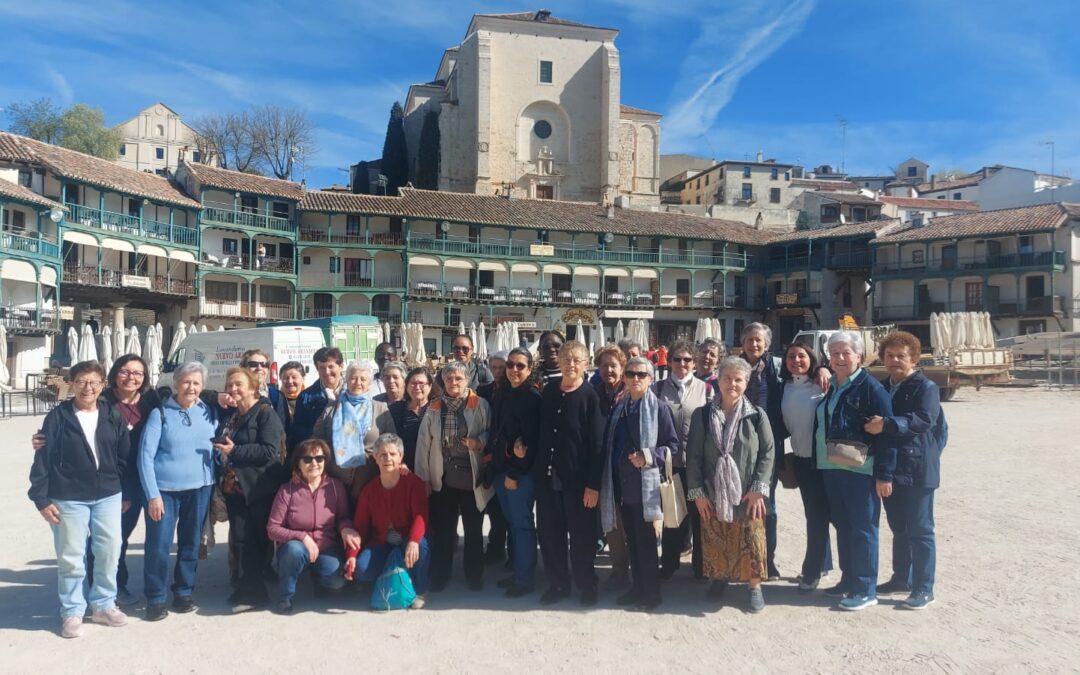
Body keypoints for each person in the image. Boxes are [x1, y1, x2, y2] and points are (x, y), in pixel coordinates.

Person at [29, 361, 131, 638]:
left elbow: (124, 454)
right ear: (71, 384)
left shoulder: (112, 414)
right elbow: (43, 458)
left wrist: (124, 489)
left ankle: (103, 605)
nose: (88, 387)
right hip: (67, 497)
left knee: (110, 551)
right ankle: (73, 610)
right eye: (82, 381)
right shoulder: (58, 417)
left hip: (108, 495)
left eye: (94, 382)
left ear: (102, 385)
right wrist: (40, 498)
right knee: (71, 556)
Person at [739, 322, 829, 581]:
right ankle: (744, 558)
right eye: (749, 340)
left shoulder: (778, 367)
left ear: (766, 344)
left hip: (771, 445)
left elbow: (804, 369)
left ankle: (768, 560)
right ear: (743, 343)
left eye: (759, 340)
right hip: (739, 445)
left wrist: (822, 367)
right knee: (739, 503)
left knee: (768, 506)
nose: (754, 344)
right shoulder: (736, 366)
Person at [864, 331, 946, 610]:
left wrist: (887, 425)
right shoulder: (882, 385)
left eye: (901, 356)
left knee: (920, 530)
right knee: (898, 527)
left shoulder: (926, 388)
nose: (895, 360)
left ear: (913, 358)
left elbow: (926, 421)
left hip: (918, 469)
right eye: (890, 355)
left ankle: (925, 587)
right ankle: (901, 578)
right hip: (891, 468)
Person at [686, 356, 775, 613]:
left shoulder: (757, 416)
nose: (732, 384)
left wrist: (759, 489)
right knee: (716, 538)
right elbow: (694, 457)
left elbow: (767, 453)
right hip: (712, 491)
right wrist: (698, 493)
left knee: (753, 540)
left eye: (738, 379)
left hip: (749, 493)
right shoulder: (702, 416)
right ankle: (719, 579)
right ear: (718, 380)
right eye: (727, 378)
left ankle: (754, 587)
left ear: (746, 383)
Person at [815, 331, 896, 611]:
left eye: (845, 353)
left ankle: (864, 588)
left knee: (863, 529)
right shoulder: (834, 386)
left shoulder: (871, 389)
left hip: (861, 470)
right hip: (832, 468)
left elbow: (887, 434)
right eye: (834, 353)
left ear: (859, 356)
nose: (839, 358)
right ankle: (848, 579)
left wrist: (885, 474)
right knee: (844, 527)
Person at [139, 362, 218, 622]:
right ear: (175, 383)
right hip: (165, 491)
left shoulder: (208, 412)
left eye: (196, 383)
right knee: (159, 546)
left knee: (191, 544)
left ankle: (184, 591)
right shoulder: (160, 414)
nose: (191, 387)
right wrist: (152, 495)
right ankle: (156, 598)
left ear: (202, 387)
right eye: (186, 382)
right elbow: (145, 457)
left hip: (200, 489)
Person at [600, 357, 678, 611]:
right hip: (621, 486)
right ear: (624, 377)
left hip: (646, 488)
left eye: (641, 375)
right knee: (632, 541)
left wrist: (649, 456)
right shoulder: (620, 408)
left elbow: (673, 448)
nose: (635, 379)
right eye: (631, 374)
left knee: (645, 543)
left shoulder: (659, 408)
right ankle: (637, 588)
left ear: (650, 379)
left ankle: (651, 594)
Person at [535, 341, 604, 606]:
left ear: (586, 364)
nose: (570, 364)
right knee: (550, 535)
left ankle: (587, 585)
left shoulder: (590, 396)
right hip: (548, 480)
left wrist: (593, 485)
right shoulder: (550, 391)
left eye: (576, 359)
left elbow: (597, 446)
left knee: (582, 538)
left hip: (578, 483)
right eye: (566, 358)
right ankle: (558, 584)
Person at [416, 361, 493, 591]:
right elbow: (424, 444)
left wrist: (480, 441)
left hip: (472, 475)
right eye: (449, 379)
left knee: (473, 528)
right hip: (444, 475)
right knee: (444, 528)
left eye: (458, 378)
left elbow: (491, 431)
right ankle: (441, 574)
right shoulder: (435, 407)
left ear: (467, 380)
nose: (453, 383)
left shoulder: (479, 404)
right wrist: (424, 478)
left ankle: (474, 574)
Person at [215, 366, 286, 613]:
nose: (233, 389)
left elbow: (269, 451)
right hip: (234, 488)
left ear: (252, 387)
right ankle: (246, 586)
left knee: (254, 540)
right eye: (229, 385)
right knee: (242, 539)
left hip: (258, 487)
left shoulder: (265, 413)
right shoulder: (233, 414)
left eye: (238, 384)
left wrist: (235, 451)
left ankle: (256, 594)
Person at [267, 438, 360, 614]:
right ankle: (285, 597)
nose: (314, 463)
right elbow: (273, 529)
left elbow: (343, 517)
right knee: (294, 552)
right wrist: (302, 537)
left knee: (336, 581)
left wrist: (345, 528)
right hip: (296, 547)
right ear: (298, 464)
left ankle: (317, 577)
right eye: (307, 459)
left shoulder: (335, 487)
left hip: (326, 546)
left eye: (319, 458)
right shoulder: (287, 490)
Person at [346, 433, 430, 609]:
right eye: (382, 454)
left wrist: (414, 540)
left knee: (421, 546)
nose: (388, 459)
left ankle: (419, 589)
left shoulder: (413, 483)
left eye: (393, 454)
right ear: (375, 458)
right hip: (382, 541)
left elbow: (421, 517)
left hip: (407, 537)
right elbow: (359, 527)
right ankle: (392, 575)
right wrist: (352, 556)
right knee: (362, 569)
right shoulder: (369, 490)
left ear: (401, 457)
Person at [779, 341, 833, 592]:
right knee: (815, 516)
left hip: (824, 461)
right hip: (801, 460)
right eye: (791, 356)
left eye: (801, 356)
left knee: (824, 517)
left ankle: (812, 571)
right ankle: (820, 565)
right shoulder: (785, 388)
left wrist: (824, 368)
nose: (796, 361)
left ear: (812, 358)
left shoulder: (822, 384)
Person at [489, 347, 542, 597]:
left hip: (518, 474)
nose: (514, 370)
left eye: (521, 366)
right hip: (501, 469)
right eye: (511, 365)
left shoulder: (532, 398)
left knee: (522, 526)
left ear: (530, 369)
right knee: (513, 524)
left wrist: (515, 472)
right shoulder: (503, 392)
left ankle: (524, 579)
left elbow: (530, 443)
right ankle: (518, 572)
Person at [653, 340, 708, 580]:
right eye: (677, 359)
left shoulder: (706, 389)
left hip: (698, 466)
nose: (682, 364)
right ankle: (669, 563)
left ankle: (701, 566)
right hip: (669, 464)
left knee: (699, 517)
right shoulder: (657, 389)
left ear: (694, 363)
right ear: (670, 361)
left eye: (687, 359)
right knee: (672, 517)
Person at [314, 360, 396, 500]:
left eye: (363, 379)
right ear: (346, 380)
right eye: (353, 378)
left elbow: (391, 441)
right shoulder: (331, 409)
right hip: (335, 478)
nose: (358, 382)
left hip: (370, 477)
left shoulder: (380, 408)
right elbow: (316, 440)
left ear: (369, 384)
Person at [591, 345, 631, 590]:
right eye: (604, 365)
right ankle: (619, 569)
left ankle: (637, 568)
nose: (608, 370)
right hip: (603, 469)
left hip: (628, 469)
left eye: (613, 365)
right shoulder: (594, 394)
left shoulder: (632, 394)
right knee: (613, 523)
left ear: (622, 368)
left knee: (633, 524)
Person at [475, 350, 510, 565]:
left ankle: (512, 553)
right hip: (487, 456)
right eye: (494, 367)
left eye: (501, 367)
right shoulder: (482, 390)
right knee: (494, 507)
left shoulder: (515, 390)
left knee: (510, 510)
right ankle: (496, 547)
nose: (497, 372)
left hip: (507, 457)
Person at [289, 347, 345, 454]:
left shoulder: (353, 393)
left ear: (341, 366)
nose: (327, 372)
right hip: (319, 454)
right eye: (322, 368)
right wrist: (321, 436)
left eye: (331, 366)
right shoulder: (306, 397)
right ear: (316, 368)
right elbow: (298, 429)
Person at [388, 367, 434, 471]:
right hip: (404, 469)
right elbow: (390, 439)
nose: (417, 387)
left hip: (433, 469)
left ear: (430, 386)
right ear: (406, 386)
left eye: (422, 383)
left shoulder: (438, 409)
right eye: (413, 383)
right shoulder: (395, 410)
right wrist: (400, 462)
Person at [239, 348, 288, 427]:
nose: (259, 368)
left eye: (264, 365)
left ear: (268, 370)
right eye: (253, 364)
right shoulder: (236, 394)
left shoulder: (277, 396)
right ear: (243, 368)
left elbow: (284, 427)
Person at [277, 361, 307, 427]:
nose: (290, 381)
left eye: (294, 377)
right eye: (286, 378)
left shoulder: (310, 399)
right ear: (280, 378)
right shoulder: (276, 399)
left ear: (303, 378)